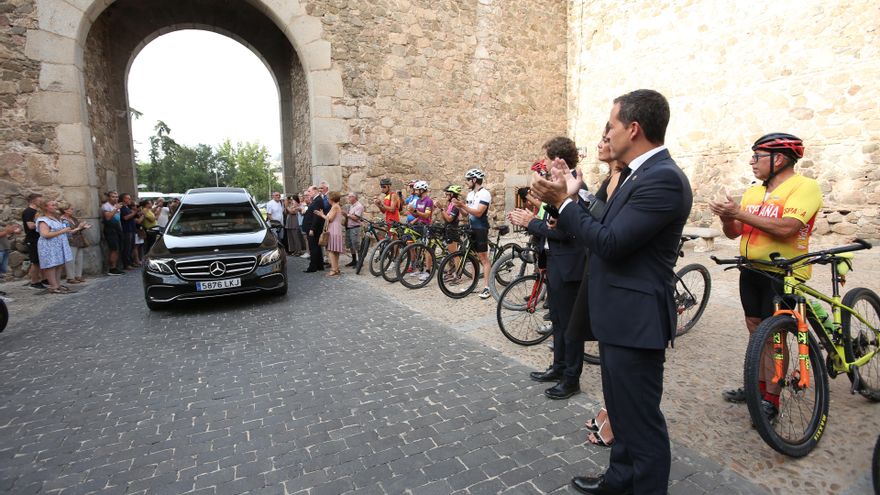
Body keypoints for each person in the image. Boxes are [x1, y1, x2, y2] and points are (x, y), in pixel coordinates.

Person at [531, 89, 692, 495]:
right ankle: (619, 481)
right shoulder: (637, 175)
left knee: (641, 425)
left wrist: (565, 204)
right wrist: (571, 197)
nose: (608, 133)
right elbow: (600, 226)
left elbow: (610, 243)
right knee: (621, 413)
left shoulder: (664, 180)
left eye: (613, 126)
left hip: (636, 321)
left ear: (633, 129)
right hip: (617, 316)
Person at [708, 133, 820, 419]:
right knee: (756, 331)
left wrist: (739, 214)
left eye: (757, 157)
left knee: (773, 337)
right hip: (751, 270)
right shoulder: (755, 192)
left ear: (779, 159)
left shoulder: (804, 187)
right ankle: (757, 387)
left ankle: (772, 397)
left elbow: (787, 228)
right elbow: (735, 232)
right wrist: (726, 217)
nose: (751, 162)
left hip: (782, 272)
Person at [508, 137, 586, 401]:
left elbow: (567, 232)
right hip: (554, 263)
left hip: (570, 265)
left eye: (548, 161)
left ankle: (571, 378)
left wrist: (531, 223)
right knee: (558, 321)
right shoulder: (559, 187)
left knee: (571, 325)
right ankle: (559, 367)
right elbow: (550, 224)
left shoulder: (577, 188)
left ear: (558, 160)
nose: (546, 167)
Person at [453, 169, 492, 299]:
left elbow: (479, 213)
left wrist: (463, 206)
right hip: (471, 228)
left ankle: (487, 287)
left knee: (483, 258)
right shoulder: (470, 194)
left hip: (481, 228)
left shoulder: (485, 194)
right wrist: (459, 206)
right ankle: (474, 285)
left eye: (468, 180)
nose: (467, 182)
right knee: (473, 257)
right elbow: (467, 214)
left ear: (474, 180)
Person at [37, 200, 85, 294]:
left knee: (59, 264)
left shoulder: (55, 218)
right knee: (51, 265)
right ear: (46, 207)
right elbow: (45, 234)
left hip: (58, 245)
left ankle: (58, 284)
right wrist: (62, 231)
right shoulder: (43, 220)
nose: (55, 206)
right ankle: (53, 286)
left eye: (55, 205)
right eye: (52, 205)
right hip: (49, 245)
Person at [60, 202, 90, 284]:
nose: (73, 210)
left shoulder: (73, 218)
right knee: (71, 260)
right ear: (65, 210)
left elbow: (77, 229)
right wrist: (79, 227)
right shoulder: (63, 220)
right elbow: (67, 232)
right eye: (71, 209)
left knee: (79, 259)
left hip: (78, 240)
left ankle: (78, 275)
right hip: (70, 241)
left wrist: (83, 227)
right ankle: (70, 277)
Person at [316, 191, 344, 276]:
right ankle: (336, 268)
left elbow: (330, 219)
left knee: (331, 250)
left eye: (328, 198)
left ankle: (333, 269)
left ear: (331, 198)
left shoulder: (335, 207)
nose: (327, 199)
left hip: (333, 229)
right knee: (335, 250)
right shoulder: (336, 206)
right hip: (336, 229)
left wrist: (321, 215)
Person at [22, 193, 46, 289]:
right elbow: (30, 226)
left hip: (39, 239)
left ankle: (44, 279)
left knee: (41, 261)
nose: (41, 202)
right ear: (33, 201)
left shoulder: (37, 211)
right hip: (32, 239)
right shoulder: (29, 211)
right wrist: (42, 223)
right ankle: (34, 282)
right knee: (35, 262)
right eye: (39, 200)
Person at [302, 185, 326, 273]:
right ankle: (319, 265)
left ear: (315, 191)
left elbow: (316, 216)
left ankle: (313, 267)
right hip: (312, 227)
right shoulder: (316, 200)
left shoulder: (317, 200)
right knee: (316, 247)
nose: (308, 193)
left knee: (313, 247)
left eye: (309, 191)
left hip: (313, 228)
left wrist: (312, 229)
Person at [100, 191, 125, 276]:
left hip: (117, 228)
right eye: (113, 197)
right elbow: (108, 217)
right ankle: (112, 268)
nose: (116, 198)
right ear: (109, 198)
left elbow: (118, 219)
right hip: (110, 229)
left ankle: (115, 267)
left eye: (117, 196)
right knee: (113, 249)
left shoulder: (116, 205)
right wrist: (116, 209)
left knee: (117, 248)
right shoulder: (106, 206)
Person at [343, 192, 364, 267]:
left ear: (354, 197)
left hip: (355, 228)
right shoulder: (351, 206)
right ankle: (354, 260)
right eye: (348, 196)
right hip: (349, 228)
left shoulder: (359, 206)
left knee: (356, 245)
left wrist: (347, 214)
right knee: (351, 245)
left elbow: (356, 218)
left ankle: (360, 262)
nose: (348, 198)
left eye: (350, 197)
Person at [440, 185, 463, 254]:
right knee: (450, 254)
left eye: (447, 194)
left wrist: (441, 209)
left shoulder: (455, 205)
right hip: (448, 229)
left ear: (452, 194)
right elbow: (445, 218)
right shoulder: (450, 204)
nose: (446, 195)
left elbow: (449, 219)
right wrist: (442, 210)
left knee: (454, 254)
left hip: (452, 230)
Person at [118, 193, 138, 269]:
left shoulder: (127, 207)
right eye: (128, 198)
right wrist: (134, 213)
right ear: (123, 199)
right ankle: (127, 264)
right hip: (126, 230)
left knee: (131, 247)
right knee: (127, 247)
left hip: (131, 229)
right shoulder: (122, 208)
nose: (130, 200)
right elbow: (125, 218)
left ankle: (131, 262)